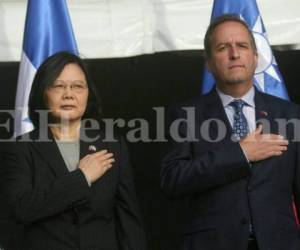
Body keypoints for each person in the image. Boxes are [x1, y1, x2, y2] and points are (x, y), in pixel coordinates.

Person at [161, 14, 300, 250]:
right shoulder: (185, 115)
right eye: (223, 47)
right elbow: (172, 180)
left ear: (256, 58)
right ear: (208, 62)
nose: (234, 54)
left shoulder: (290, 114)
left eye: (242, 46)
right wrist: (240, 153)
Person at [1, 51, 146, 250]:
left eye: (78, 86)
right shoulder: (21, 148)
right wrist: (81, 177)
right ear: (43, 93)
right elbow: (21, 209)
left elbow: (128, 221)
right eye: (58, 86)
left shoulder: (112, 146)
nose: (69, 94)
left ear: (88, 94)